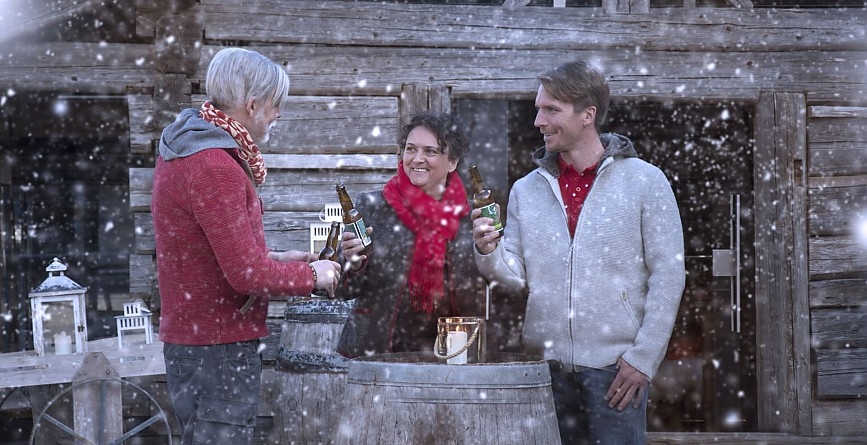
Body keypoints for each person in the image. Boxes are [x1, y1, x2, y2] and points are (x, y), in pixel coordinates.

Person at [472, 60, 685, 444]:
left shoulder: (645, 181)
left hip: (615, 370)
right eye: (539, 108)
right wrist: (488, 251)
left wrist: (643, 358)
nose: (539, 120)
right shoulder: (527, 189)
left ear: (588, 115)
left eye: (551, 109)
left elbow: (669, 274)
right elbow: (515, 274)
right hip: (545, 370)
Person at [151, 47, 341, 445]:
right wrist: (311, 275)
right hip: (217, 349)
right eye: (275, 106)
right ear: (252, 106)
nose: (278, 115)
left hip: (200, 343)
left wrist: (276, 259)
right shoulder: (214, 166)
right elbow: (245, 275)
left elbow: (210, 256)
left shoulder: (189, 149)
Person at [336, 112, 488, 358]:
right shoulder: (373, 206)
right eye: (410, 149)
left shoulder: (471, 217)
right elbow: (344, 290)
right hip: (378, 354)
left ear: (452, 162)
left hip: (451, 356)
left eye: (430, 151)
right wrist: (352, 264)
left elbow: (492, 282)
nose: (417, 159)